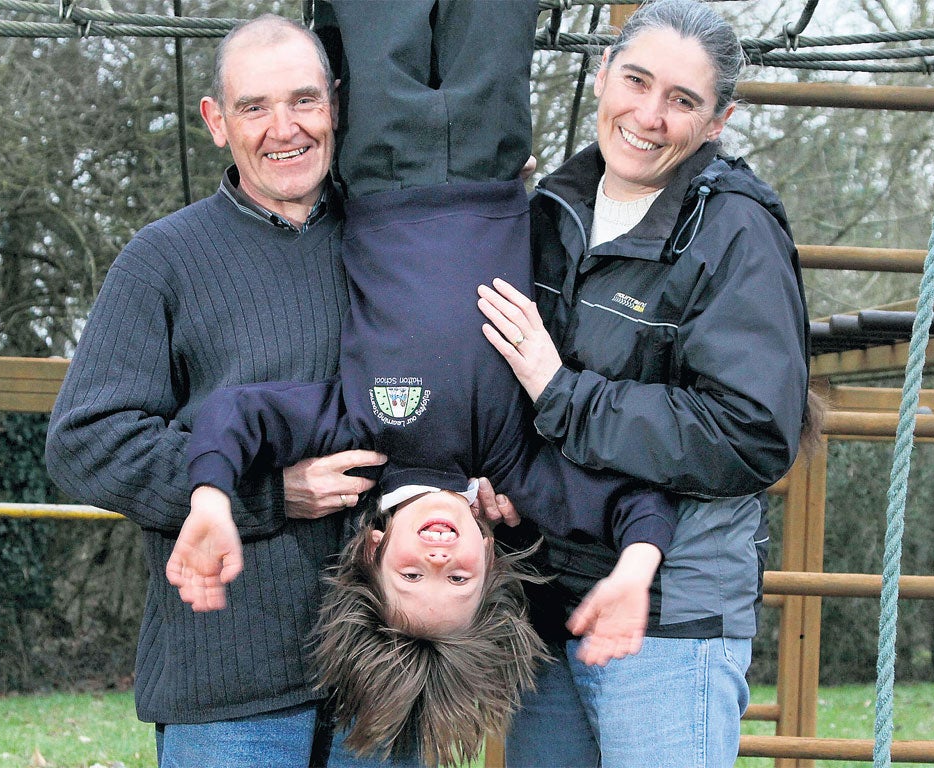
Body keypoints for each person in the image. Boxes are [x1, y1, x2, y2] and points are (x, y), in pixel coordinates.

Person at [166, 2, 681, 765]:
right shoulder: (515, 468)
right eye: (457, 575)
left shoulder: (361, 441)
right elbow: (634, 500)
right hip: (489, 154)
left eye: (415, 574)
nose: (438, 552)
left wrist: (210, 495)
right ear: (488, 560)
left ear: (373, 550)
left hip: (385, 164)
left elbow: (241, 414)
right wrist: (637, 568)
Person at [44, 15, 405, 768]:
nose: (285, 129)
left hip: (386, 675)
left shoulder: (396, 243)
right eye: (254, 107)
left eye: (304, 101)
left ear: (335, 104)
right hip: (228, 691)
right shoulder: (163, 260)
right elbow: (87, 442)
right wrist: (268, 494)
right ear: (216, 122)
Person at [476, 0, 814, 765]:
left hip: (673, 612)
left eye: (683, 100)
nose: (649, 115)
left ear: (718, 120)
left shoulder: (734, 233)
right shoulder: (547, 210)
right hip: (547, 594)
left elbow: (751, 432)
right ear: (602, 75)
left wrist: (564, 395)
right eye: (636, 80)